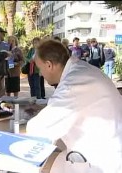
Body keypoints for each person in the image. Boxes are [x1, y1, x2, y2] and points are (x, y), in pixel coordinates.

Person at [26, 39, 122, 173]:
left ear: (49, 65)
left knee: (33, 165)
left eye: (40, 69)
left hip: (101, 161)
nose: (41, 74)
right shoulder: (81, 69)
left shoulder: (72, 84)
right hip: (104, 147)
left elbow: (39, 130)